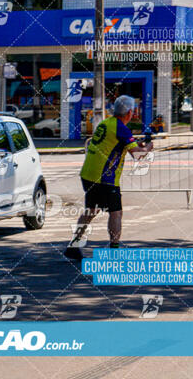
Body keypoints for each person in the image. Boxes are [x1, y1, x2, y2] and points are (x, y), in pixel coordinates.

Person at [64, 95, 153, 261]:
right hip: (105, 178)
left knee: (91, 210)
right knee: (116, 213)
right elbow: (138, 156)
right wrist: (148, 147)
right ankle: (114, 250)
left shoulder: (105, 123)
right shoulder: (121, 129)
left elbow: (117, 144)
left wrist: (135, 145)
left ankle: (74, 245)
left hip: (89, 174)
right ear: (130, 112)